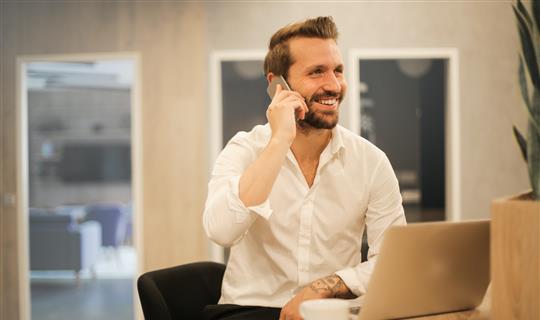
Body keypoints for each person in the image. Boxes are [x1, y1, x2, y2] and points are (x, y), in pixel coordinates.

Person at [202, 16, 406, 320]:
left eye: (337, 70)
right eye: (317, 72)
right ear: (277, 84)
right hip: (249, 311)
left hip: (331, 310)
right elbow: (221, 231)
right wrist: (279, 141)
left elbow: (393, 262)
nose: (333, 85)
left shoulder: (370, 162)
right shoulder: (245, 149)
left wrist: (324, 287)